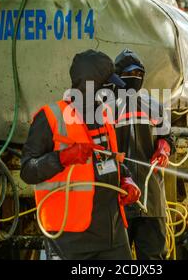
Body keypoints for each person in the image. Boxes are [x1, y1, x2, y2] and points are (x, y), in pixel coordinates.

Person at [20, 49, 141, 260]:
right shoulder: (50, 117)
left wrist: (126, 178)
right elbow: (28, 171)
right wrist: (63, 157)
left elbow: (111, 158)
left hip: (112, 235)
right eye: (107, 83)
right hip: (70, 239)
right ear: (91, 85)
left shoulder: (103, 114)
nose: (112, 90)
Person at [113, 48, 174, 260]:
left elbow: (167, 137)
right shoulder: (104, 109)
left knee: (153, 259)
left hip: (152, 203)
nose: (135, 78)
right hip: (117, 202)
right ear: (116, 77)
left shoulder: (154, 107)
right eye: (129, 74)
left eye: (139, 74)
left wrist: (163, 149)